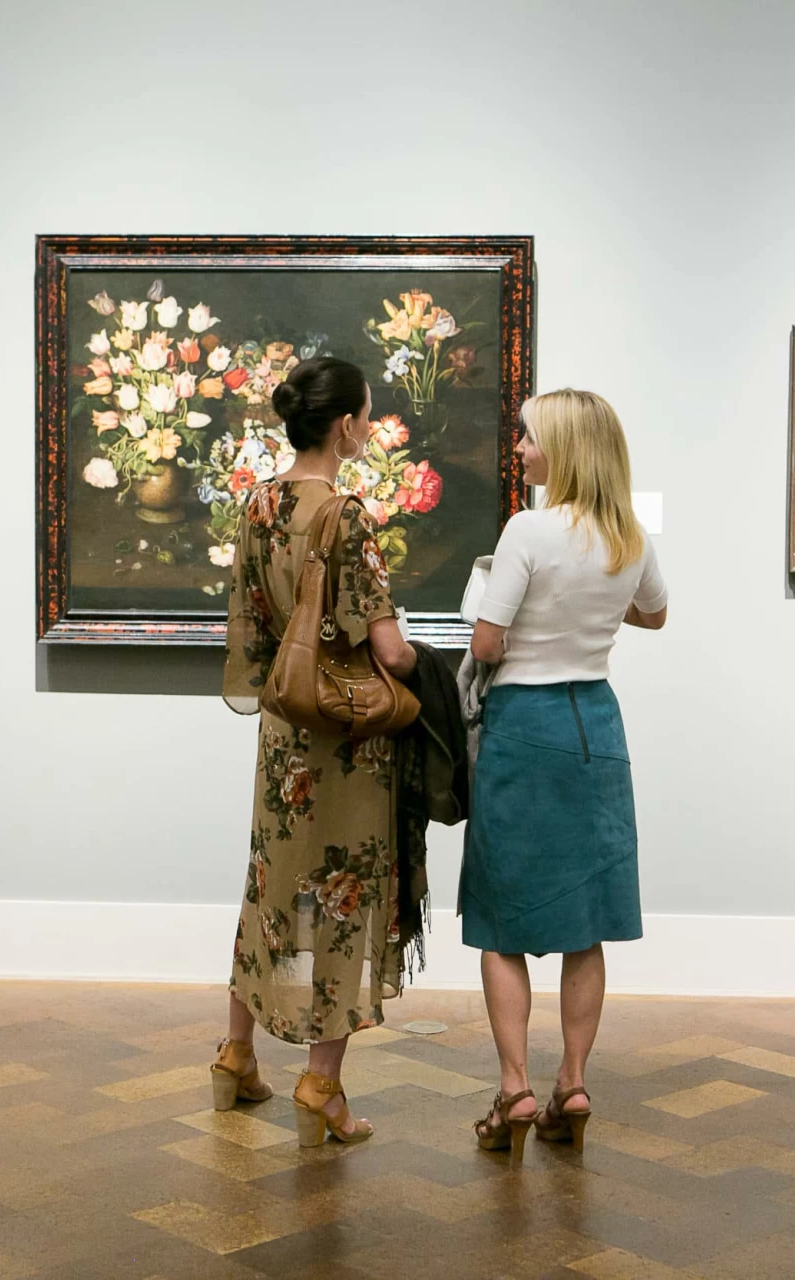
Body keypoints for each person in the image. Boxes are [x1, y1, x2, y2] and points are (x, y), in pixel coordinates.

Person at [214, 355, 420, 1148]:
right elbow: (391, 652)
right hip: (343, 745)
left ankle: (237, 1052)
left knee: (271, 891)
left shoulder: (258, 504)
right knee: (341, 901)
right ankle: (322, 1083)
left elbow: (253, 633)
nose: (368, 427)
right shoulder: (347, 515)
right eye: (367, 415)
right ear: (344, 426)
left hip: (282, 740)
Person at [461, 388, 667, 1163]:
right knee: (586, 924)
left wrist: (509, 607)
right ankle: (572, 1083)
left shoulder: (528, 530)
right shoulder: (628, 536)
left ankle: (514, 1087)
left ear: (565, 450)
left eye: (529, 438)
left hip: (526, 727)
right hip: (596, 728)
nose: (519, 450)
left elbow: (485, 644)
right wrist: (595, 609)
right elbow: (656, 614)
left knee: (500, 918)